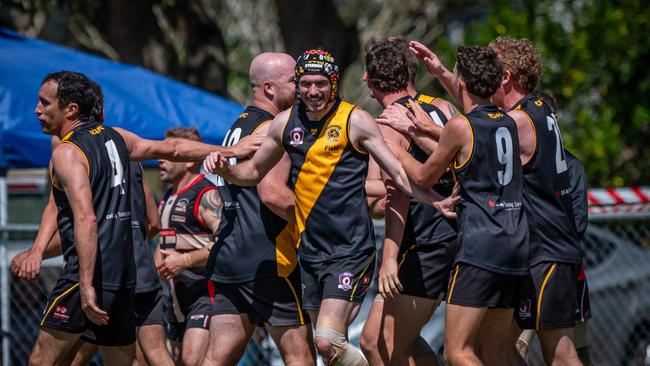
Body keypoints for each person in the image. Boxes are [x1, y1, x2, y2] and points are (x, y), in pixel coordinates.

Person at [203, 49, 455, 366]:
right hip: (309, 251)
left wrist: (435, 200)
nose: (312, 91)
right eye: (305, 84)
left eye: (320, 84)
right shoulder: (283, 124)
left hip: (350, 248)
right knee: (329, 352)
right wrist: (224, 168)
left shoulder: (356, 119)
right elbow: (252, 173)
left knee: (327, 340)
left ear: (334, 84)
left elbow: (399, 173)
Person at [27, 71, 261, 366]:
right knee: (121, 360)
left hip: (88, 274)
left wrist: (86, 285)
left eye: (44, 103)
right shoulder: (118, 137)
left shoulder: (67, 153)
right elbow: (174, 148)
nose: (37, 110)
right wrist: (229, 150)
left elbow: (86, 218)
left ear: (70, 109)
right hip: (125, 278)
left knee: (40, 361)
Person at [390, 45, 529, 366]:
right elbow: (467, 155)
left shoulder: (460, 127)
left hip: (481, 246)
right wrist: (421, 128)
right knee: (496, 353)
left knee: (458, 352)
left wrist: (395, 151)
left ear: (462, 84)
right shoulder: (506, 122)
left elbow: (424, 178)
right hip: (516, 243)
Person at [201, 53, 315, 366]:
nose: (302, 87)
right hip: (267, 259)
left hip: (230, 256)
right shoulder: (271, 127)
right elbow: (274, 195)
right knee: (300, 355)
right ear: (268, 88)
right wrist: (317, 223)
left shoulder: (240, 124)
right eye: (294, 81)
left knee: (217, 356)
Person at [358, 38, 458, 366]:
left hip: (424, 245)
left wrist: (388, 258)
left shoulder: (387, 123)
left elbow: (393, 195)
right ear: (411, 73)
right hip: (459, 235)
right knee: (380, 340)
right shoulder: (442, 108)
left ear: (368, 81)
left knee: (380, 345)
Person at [157, 127, 223, 366]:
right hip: (175, 298)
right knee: (179, 361)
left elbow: (225, 243)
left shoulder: (206, 194)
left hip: (204, 295)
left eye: (169, 153)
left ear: (187, 161)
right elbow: (166, 242)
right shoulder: (168, 195)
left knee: (193, 361)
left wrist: (184, 261)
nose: (159, 158)